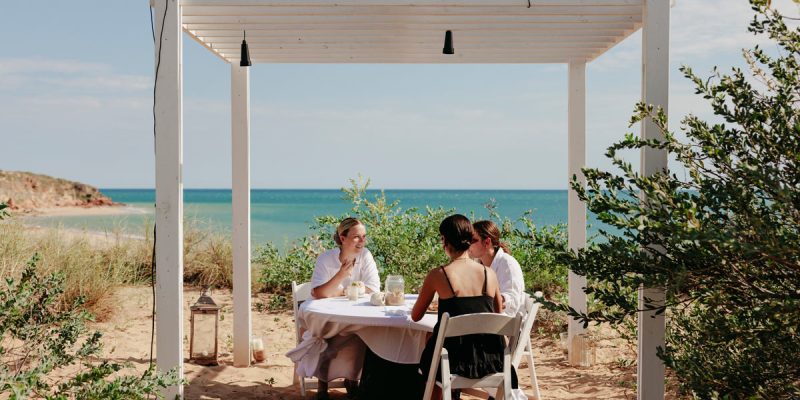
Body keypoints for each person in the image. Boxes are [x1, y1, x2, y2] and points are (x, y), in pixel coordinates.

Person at [412, 214, 519, 400]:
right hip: (490, 360)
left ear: (444, 241)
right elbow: (497, 315)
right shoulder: (489, 274)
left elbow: (416, 316)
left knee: (433, 350)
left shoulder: (438, 275)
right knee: (435, 348)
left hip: (453, 362)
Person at [309, 217, 380, 400]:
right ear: (342, 238)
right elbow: (318, 293)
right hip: (330, 317)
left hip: (358, 314)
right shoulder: (326, 259)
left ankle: (353, 380)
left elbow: (374, 288)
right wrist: (341, 275)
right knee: (328, 334)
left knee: (369, 332)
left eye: (364, 236)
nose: (362, 241)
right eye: (356, 237)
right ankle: (323, 385)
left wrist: (341, 291)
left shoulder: (365, 256)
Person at [470, 220, 526, 317]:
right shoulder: (476, 265)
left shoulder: (507, 263)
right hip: (485, 318)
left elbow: (512, 301)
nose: (468, 244)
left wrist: (482, 303)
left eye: (472, 240)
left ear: (487, 242)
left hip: (506, 322)